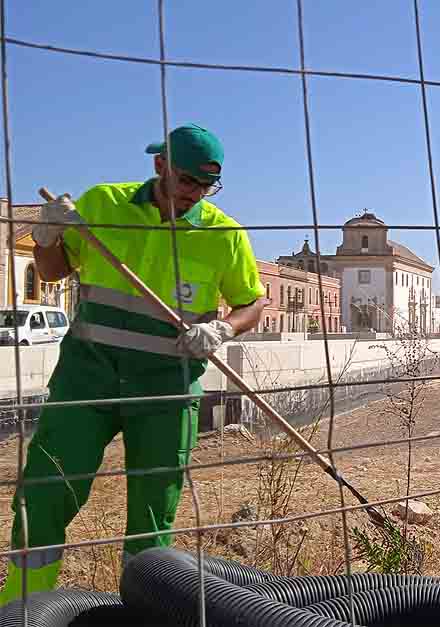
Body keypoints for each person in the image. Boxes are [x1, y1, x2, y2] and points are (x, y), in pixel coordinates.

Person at [0, 124, 267, 603]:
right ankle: (20, 610)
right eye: (187, 181)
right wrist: (45, 237)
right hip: (88, 379)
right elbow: (54, 270)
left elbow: (253, 303)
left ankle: (141, 609)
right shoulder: (103, 205)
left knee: (152, 519)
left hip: (168, 387)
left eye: (206, 187)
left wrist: (224, 328)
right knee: (42, 496)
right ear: (160, 165)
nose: (195, 195)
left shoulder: (224, 235)